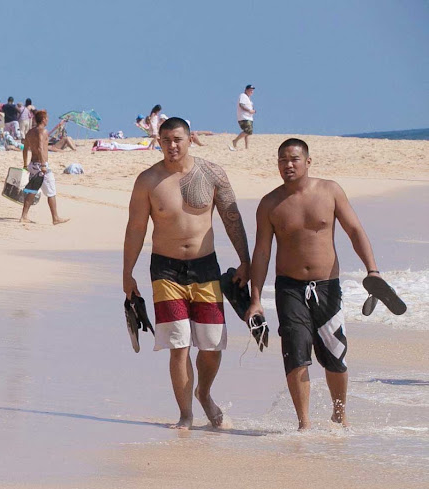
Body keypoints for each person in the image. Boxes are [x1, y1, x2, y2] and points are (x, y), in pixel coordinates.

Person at [123, 117, 250, 430]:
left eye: (177, 139)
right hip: (164, 269)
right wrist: (127, 273)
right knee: (178, 345)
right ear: (159, 141)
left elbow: (232, 216)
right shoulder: (148, 180)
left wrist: (245, 260)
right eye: (165, 140)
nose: (172, 146)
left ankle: (203, 393)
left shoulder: (212, 173)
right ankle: (185, 415)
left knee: (211, 344)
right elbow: (136, 227)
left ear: (190, 138)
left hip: (205, 267)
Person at [245, 138, 380, 430]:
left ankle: (339, 413)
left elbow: (354, 230)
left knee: (335, 356)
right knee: (295, 351)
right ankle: (304, 423)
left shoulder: (330, 191)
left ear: (308, 161)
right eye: (282, 160)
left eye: (294, 159)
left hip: (327, 285)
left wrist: (373, 270)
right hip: (289, 288)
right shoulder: (270, 203)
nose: (288, 165)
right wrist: (255, 299)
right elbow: (262, 252)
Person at [19, 109, 69, 225]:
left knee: (32, 190)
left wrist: (25, 164)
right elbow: (41, 148)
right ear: (43, 119)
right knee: (51, 191)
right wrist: (43, 165)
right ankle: (55, 218)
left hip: (32, 164)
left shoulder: (30, 133)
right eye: (47, 118)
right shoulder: (43, 131)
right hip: (41, 165)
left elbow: (25, 149)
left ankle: (24, 216)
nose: (48, 120)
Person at [230, 85, 255, 150]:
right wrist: (249, 110)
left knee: (247, 133)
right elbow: (241, 105)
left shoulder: (248, 98)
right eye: (250, 90)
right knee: (248, 131)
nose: (251, 91)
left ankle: (247, 147)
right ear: (246, 90)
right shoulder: (243, 96)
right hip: (244, 117)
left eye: (252, 90)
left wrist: (253, 111)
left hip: (249, 117)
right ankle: (235, 140)